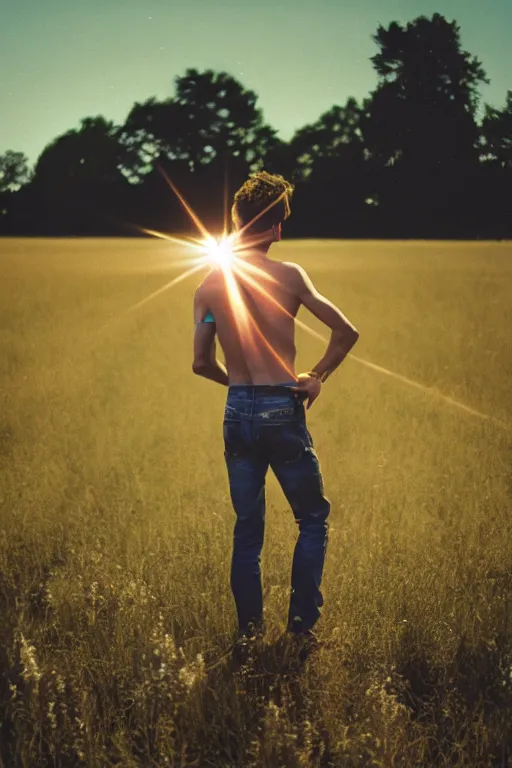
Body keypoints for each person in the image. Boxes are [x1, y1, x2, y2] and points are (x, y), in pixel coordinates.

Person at [192, 171, 359, 655]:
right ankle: (301, 631)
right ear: (278, 228)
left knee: (248, 529)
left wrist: (241, 389)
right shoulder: (290, 277)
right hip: (282, 410)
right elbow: (346, 332)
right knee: (312, 519)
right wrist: (316, 377)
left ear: (236, 221)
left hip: (236, 412)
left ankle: (248, 634)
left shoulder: (208, 286)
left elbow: (201, 362)